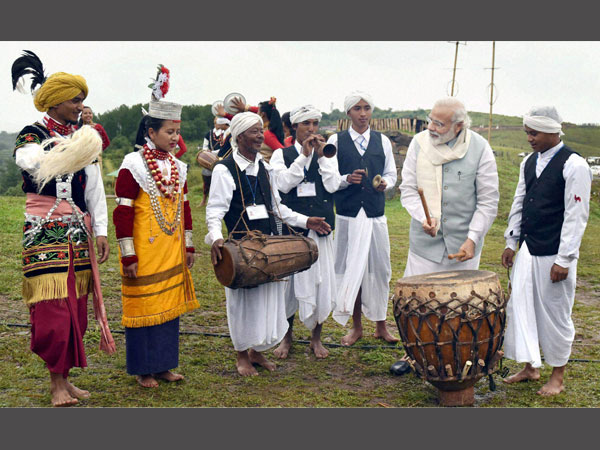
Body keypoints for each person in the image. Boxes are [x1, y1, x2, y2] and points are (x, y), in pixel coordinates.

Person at [11, 50, 114, 407]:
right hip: (44, 230)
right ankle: (55, 384)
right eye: (74, 99)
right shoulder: (33, 135)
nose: (80, 105)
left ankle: (65, 379)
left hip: (78, 230)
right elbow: (29, 162)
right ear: (54, 103)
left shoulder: (85, 138)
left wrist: (100, 230)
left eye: (82, 99)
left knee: (75, 307)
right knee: (52, 309)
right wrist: (68, 149)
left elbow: (95, 189)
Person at [205, 111, 331, 376]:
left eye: (261, 130)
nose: (260, 135)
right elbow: (215, 210)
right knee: (242, 303)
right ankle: (241, 355)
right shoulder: (224, 169)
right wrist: (216, 237)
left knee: (266, 300)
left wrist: (307, 221)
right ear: (239, 137)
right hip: (239, 249)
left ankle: (257, 352)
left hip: (268, 247)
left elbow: (278, 206)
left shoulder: (264, 168)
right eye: (254, 131)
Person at [391, 97, 500, 375]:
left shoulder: (480, 147)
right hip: (424, 245)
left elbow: (488, 201)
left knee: (459, 308)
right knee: (418, 304)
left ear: (459, 126)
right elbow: (408, 188)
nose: (431, 127)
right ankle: (412, 354)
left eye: (439, 123)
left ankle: (459, 357)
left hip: (463, 246)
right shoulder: (419, 144)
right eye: (430, 120)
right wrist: (422, 217)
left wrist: (473, 238)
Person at [113, 65, 199, 389]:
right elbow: (122, 213)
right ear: (151, 133)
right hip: (143, 248)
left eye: (177, 132)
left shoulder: (178, 166)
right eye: (169, 132)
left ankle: (164, 365)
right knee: (145, 305)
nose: (175, 138)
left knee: (168, 307)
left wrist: (188, 245)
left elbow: (186, 207)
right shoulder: (132, 165)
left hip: (170, 247)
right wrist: (127, 256)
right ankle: (143, 369)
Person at [501, 106, 592, 396]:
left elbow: (576, 214)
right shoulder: (528, 162)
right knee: (521, 306)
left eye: (534, 132)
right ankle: (530, 366)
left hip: (555, 253)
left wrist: (564, 258)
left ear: (553, 132)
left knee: (555, 312)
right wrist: (511, 241)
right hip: (529, 247)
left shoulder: (574, 165)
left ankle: (557, 377)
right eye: (527, 132)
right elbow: (520, 201)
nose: (529, 138)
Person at [326, 91, 399, 346]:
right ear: (348, 113)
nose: (363, 113)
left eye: (367, 108)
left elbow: (391, 173)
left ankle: (381, 324)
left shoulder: (382, 141)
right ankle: (356, 327)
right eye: (357, 108)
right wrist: (347, 179)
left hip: (375, 214)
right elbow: (330, 178)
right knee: (349, 268)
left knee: (380, 268)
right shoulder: (336, 141)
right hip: (347, 216)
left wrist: (386, 184)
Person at [270, 105, 340, 359]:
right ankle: (286, 338)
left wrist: (322, 158)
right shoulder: (281, 155)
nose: (312, 129)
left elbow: (332, 186)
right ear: (294, 127)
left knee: (320, 282)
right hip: (293, 228)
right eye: (306, 125)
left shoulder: (327, 155)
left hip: (321, 229)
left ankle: (316, 338)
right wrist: (303, 156)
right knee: (288, 285)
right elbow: (283, 184)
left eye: (315, 124)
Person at [200, 117, 230, 206]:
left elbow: (224, 148)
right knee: (206, 179)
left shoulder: (225, 133)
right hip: (210, 159)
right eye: (216, 122)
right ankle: (204, 199)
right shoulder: (208, 134)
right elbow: (204, 147)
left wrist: (214, 152)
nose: (217, 124)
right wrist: (207, 153)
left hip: (222, 158)